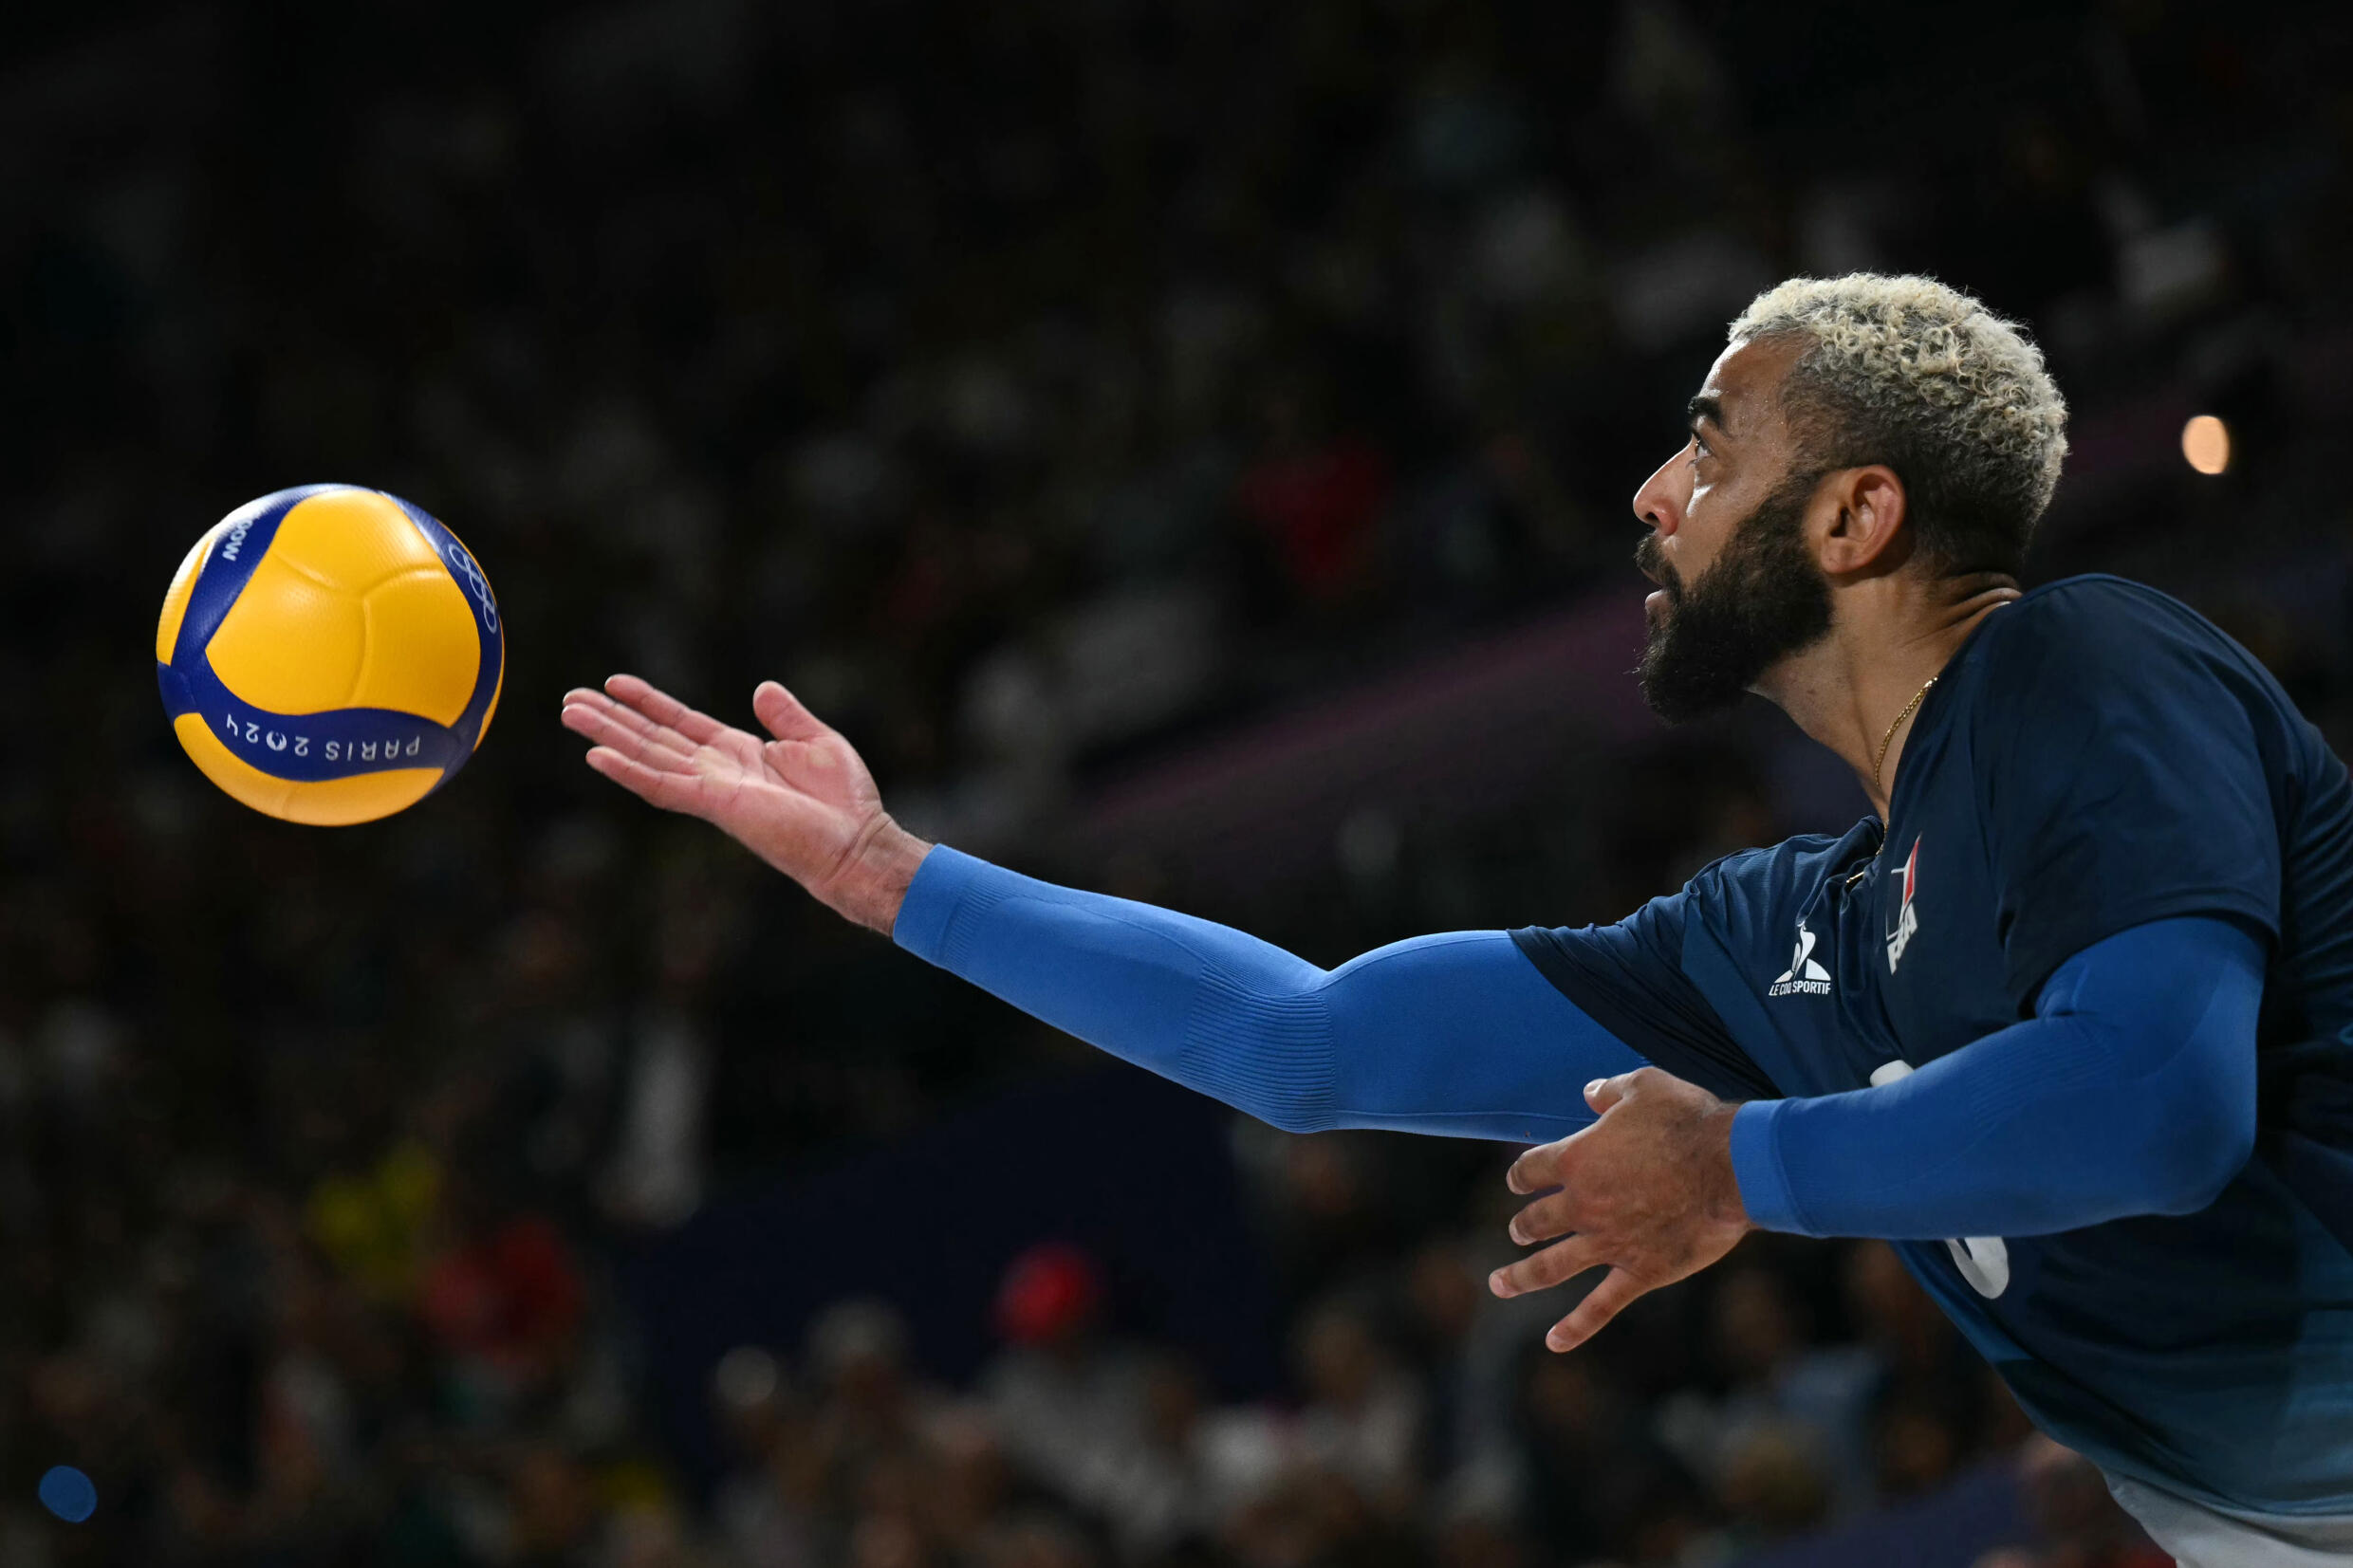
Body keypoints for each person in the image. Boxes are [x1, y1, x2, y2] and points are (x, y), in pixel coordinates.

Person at [561, 274, 2353, 1566]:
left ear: (1859, 512)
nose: (1654, 493)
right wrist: (897, 878)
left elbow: (2156, 1106)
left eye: (1710, 449)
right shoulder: (1774, 937)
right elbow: (1306, 1044)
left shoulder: (2078, 663)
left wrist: (1740, 1165)